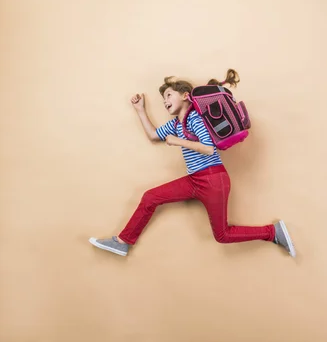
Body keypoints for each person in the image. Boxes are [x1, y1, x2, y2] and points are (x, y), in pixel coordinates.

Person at [89, 70, 296, 258]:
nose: (165, 101)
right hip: (196, 180)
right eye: (163, 99)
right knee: (150, 197)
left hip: (213, 179)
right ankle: (123, 242)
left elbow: (208, 148)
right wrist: (140, 110)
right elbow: (153, 135)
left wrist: (178, 141)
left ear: (185, 96)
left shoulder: (196, 118)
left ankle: (273, 232)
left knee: (222, 235)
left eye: (168, 95)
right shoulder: (176, 124)